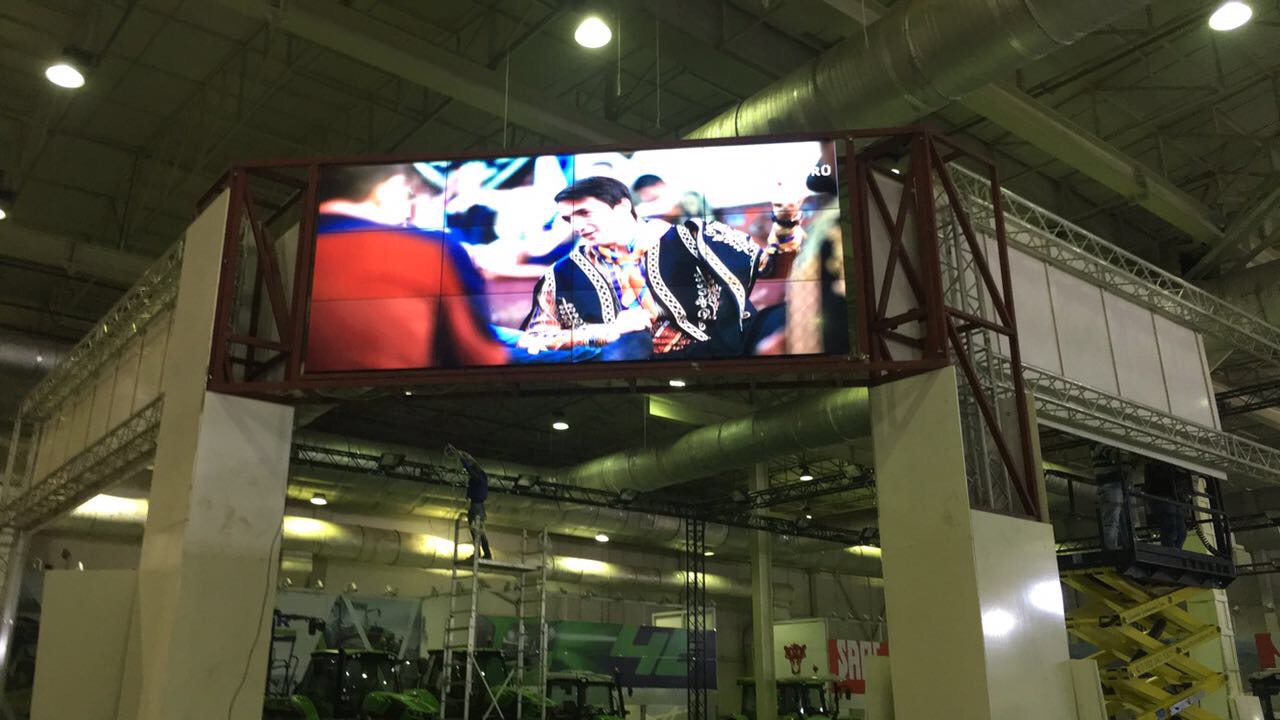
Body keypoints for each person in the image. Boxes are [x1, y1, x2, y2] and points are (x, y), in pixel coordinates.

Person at [518, 176, 801, 360]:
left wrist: (785, 222)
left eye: (584, 213)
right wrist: (606, 331)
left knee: (782, 317)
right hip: (629, 370)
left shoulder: (695, 237)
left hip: (719, 352)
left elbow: (772, 269)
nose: (578, 226)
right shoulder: (561, 274)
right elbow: (533, 340)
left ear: (622, 206)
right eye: (569, 219)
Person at [1092, 443, 1134, 550]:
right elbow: (1115, 456)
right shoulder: (1102, 444)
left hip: (1116, 484)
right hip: (1112, 484)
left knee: (1121, 519)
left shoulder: (1102, 445)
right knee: (1113, 519)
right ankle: (1113, 548)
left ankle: (1126, 545)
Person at [1144, 460, 1191, 549]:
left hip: (1176, 499)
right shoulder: (1154, 465)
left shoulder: (1175, 469)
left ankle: (1176, 552)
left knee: (1181, 533)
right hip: (1162, 497)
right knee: (1171, 528)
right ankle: (1171, 550)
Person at [457, 449, 493, 561]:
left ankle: (481, 553)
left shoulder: (477, 478)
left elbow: (470, 469)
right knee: (479, 531)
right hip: (479, 507)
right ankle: (485, 553)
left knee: (476, 531)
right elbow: (474, 465)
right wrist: (467, 456)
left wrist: (463, 459)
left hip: (476, 506)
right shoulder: (482, 477)